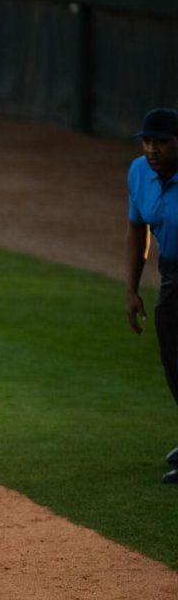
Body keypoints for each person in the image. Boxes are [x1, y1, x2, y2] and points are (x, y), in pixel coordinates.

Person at [124, 108, 178, 485]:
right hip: (172, 278)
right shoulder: (139, 172)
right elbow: (137, 228)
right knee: (173, 360)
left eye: (161, 142)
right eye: (147, 141)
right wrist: (131, 287)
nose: (152, 149)